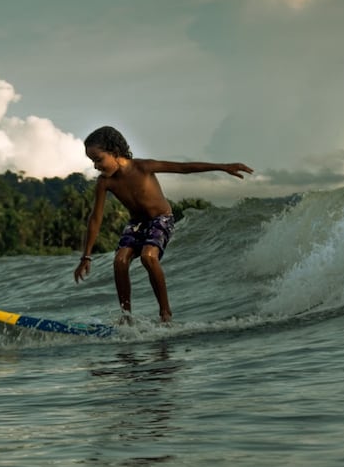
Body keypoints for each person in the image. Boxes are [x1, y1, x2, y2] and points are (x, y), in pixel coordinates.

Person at [73, 126, 253, 322]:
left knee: (148, 257)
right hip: (137, 224)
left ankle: (165, 314)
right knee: (119, 261)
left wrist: (223, 167)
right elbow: (95, 218)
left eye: (98, 160)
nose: (96, 166)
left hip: (161, 219)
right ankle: (126, 317)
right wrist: (86, 256)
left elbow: (183, 168)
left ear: (115, 153)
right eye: (93, 162)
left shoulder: (143, 167)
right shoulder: (104, 183)